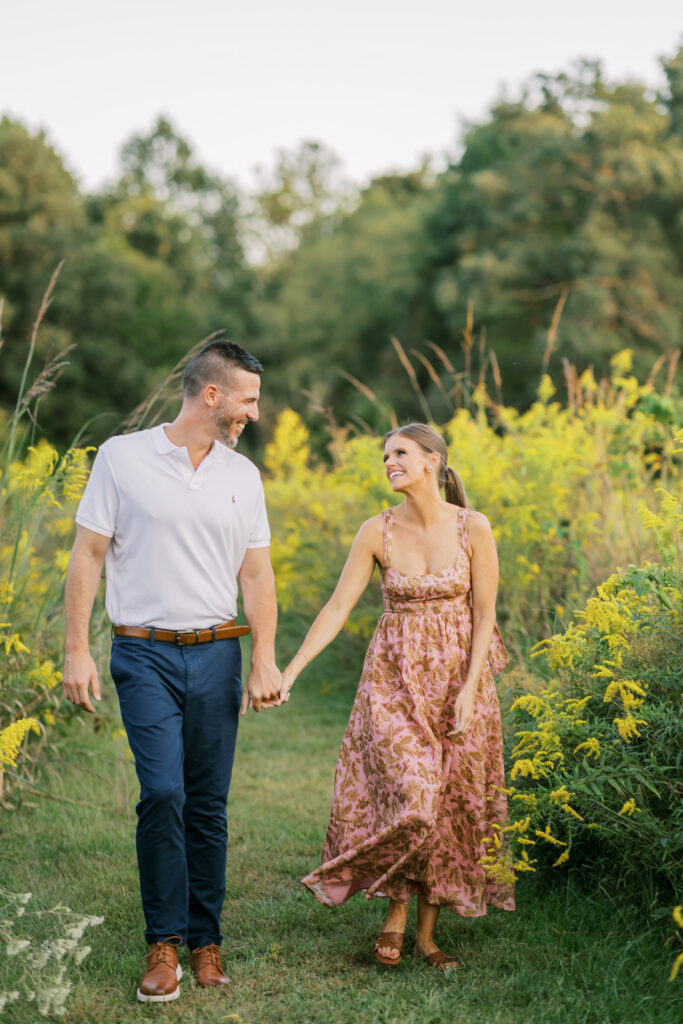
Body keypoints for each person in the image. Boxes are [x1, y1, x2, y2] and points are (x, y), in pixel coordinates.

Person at [62, 340, 282, 1002]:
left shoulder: (243, 475)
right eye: (248, 399)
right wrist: (76, 649)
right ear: (211, 395)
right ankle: (164, 943)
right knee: (163, 793)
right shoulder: (121, 457)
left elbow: (256, 572)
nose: (254, 413)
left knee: (207, 804)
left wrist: (264, 656)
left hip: (217, 652)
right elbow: (87, 555)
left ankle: (205, 938)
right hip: (143, 652)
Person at [280, 423, 514, 969]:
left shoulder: (473, 527)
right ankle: (394, 912)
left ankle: (427, 935)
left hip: (459, 685)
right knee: (415, 794)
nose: (389, 462)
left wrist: (472, 685)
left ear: (432, 461)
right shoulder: (375, 531)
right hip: (393, 684)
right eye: (385, 455)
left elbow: (485, 617)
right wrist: (291, 671)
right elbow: (337, 609)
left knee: (449, 804)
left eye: (400, 453)